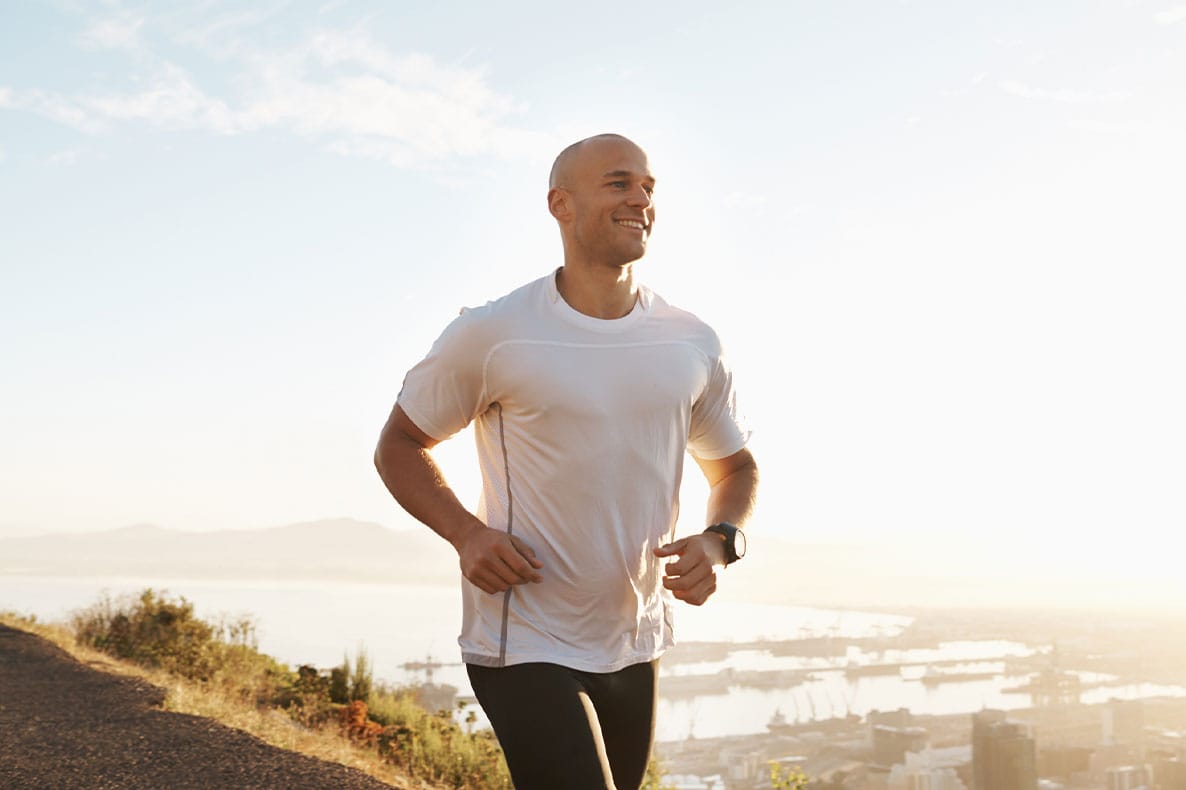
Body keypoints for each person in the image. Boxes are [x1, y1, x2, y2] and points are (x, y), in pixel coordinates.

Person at [374, 133, 758, 789]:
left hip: (633, 640)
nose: (640, 198)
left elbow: (735, 468)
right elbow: (399, 447)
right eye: (618, 183)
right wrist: (467, 535)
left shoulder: (690, 341)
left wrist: (721, 541)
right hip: (521, 637)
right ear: (562, 204)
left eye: (648, 186)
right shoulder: (494, 333)